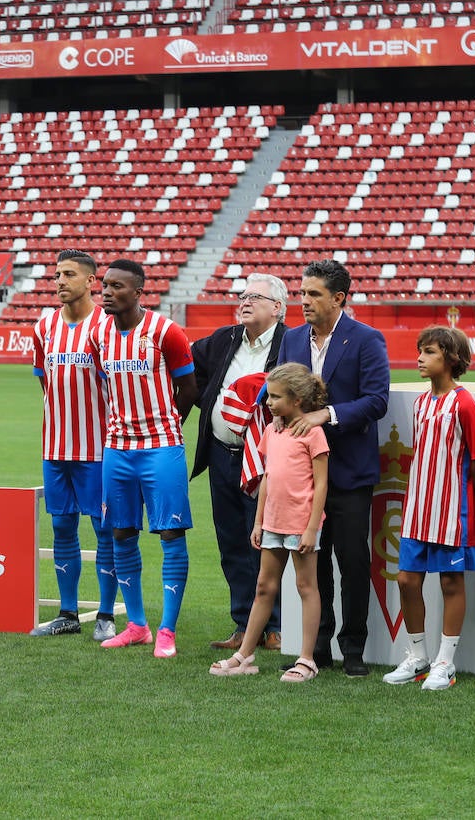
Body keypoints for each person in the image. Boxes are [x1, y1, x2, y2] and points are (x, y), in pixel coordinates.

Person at [274, 259, 389, 677]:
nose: (303, 301)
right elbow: (278, 389)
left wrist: (329, 415)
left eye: (313, 294)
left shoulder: (366, 339)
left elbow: (376, 400)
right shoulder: (291, 340)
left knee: (353, 561)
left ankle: (353, 648)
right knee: (313, 562)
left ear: (339, 298)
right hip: (304, 477)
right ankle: (317, 647)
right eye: (302, 293)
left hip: (350, 472)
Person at [90, 258, 198, 658]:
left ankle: (167, 630)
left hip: (160, 448)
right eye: (105, 285)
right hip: (117, 449)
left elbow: (188, 387)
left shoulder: (165, 332)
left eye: (117, 286)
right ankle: (137, 625)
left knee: (170, 534)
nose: (107, 291)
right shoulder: (99, 335)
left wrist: (168, 422)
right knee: (120, 533)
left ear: (138, 293)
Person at [210, 363, 329, 682]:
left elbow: (321, 484)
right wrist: (258, 522)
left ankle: (307, 659)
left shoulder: (313, 433)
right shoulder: (271, 430)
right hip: (273, 523)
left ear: (298, 401)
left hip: (301, 523)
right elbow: (267, 478)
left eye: (276, 397)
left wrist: (311, 527)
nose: (268, 402)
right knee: (264, 586)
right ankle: (244, 654)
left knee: (306, 587)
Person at [384, 327, 475, 691]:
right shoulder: (421, 403)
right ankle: (417, 657)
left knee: (450, 582)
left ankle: (446, 662)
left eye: (428, 352)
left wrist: (468, 507)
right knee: (407, 580)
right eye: (419, 351)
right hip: (418, 509)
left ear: (452, 359)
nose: (419, 358)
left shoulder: (464, 404)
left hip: (450, 511)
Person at [191, 273, 288, 652]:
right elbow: (190, 370)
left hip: (269, 460)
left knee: (267, 538)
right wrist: (213, 406)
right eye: (243, 295)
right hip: (221, 454)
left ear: (277, 307)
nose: (244, 301)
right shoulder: (222, 339)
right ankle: (244, 622)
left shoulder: (290, 342)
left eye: (255, 297)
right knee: (231, 540)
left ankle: (276, 625)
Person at [28, 250, 117, 639]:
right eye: (57, 274)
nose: (60, 281)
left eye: (68, 274)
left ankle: (105, 615)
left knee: (105, 529)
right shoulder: (44, 326)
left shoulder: (105, 326)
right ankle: (66, 613)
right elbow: (43, 379)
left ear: (90, 281)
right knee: (62, 526)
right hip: (55, 448)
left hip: (97, 451)